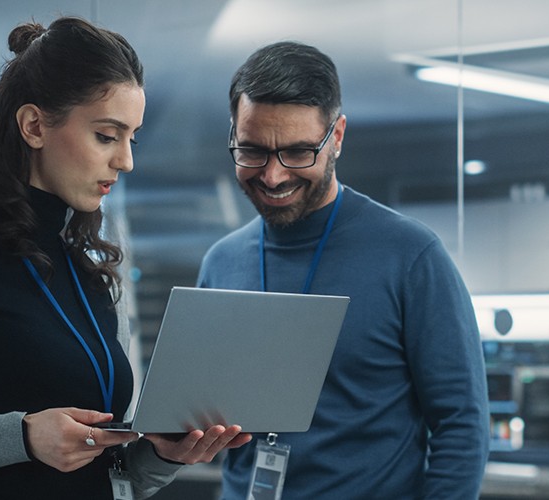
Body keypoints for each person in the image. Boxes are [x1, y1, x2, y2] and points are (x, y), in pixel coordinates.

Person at [0, 16, 250, 500]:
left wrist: (164, 456)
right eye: (106, 135)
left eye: (130, 138)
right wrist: (24, 436)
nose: (125, 161)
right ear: (34, 126)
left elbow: (112, 477)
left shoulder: (94, 270)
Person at [197, 41, 489, 499]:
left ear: (336, 136)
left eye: (297, 153)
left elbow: (462, 425)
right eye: (252, 151)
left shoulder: (411, 257)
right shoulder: (221, 263)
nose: (273, 176)